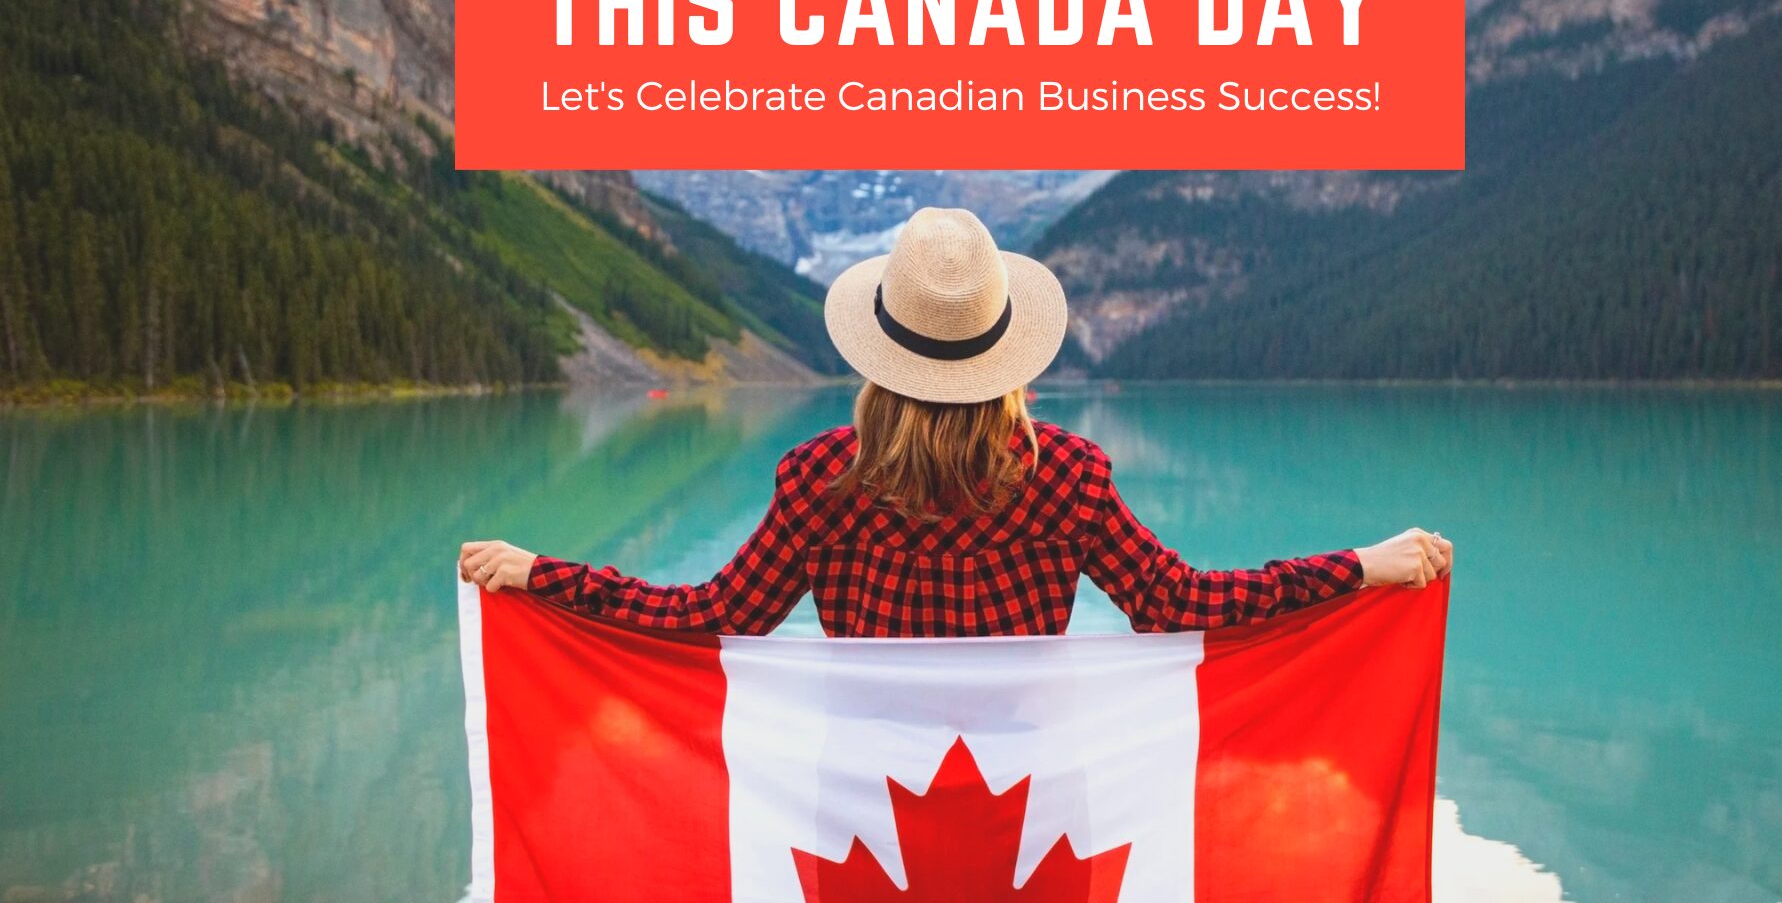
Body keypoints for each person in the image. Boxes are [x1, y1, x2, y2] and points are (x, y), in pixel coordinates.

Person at [459, 208, 1452, 636]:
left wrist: (543, 575)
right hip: (1034, 804)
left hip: (863, 812)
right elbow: (1178, 602)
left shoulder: (819, 480)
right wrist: (1365, 565)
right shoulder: (1068, 474)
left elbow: (709, 619)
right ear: (1005, 354)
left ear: (878, 351)